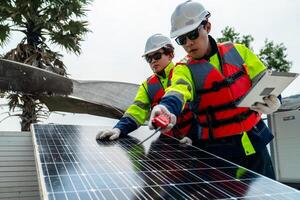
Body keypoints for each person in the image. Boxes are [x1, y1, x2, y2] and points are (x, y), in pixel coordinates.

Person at [148, 0, 281, 179]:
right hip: (218, 154)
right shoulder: (183, 69)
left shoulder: (239, 52)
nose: (188, 43)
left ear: (207, 27)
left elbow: (267, 81)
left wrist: (276, 100)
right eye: (181, 39)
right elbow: (178, 90)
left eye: (193, 34)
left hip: (256, 143)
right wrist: (165, 108)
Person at [96, 33, 194, 144]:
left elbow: (186, 95)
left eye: (157, 56)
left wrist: (193, 136)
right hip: (165, 143)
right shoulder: (147, 86)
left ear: (170, 55)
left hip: (193, 141)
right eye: (149, 58)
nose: (153, 61)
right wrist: (118, 129)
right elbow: (136, 111)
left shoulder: (184, 71)